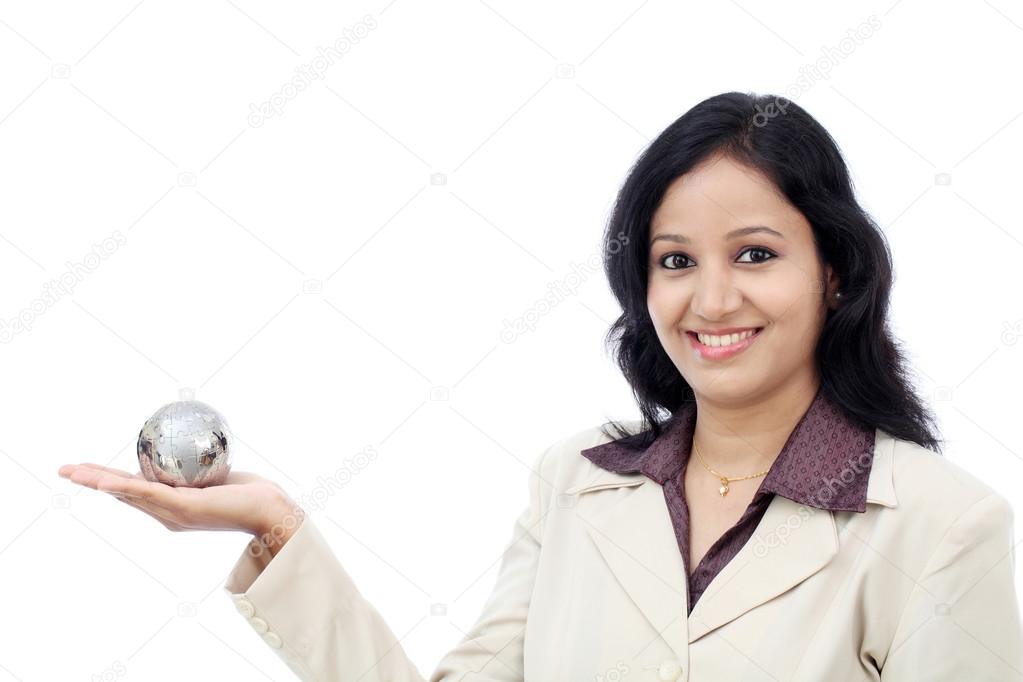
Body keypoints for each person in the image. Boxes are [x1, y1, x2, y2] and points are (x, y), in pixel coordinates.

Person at [58, 92, 1023, 681]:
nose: (712, 296)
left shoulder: (941, 526)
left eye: (757, 252)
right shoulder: (574, 484)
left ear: (836, 272)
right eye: (675, 258)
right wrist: (274, 528)